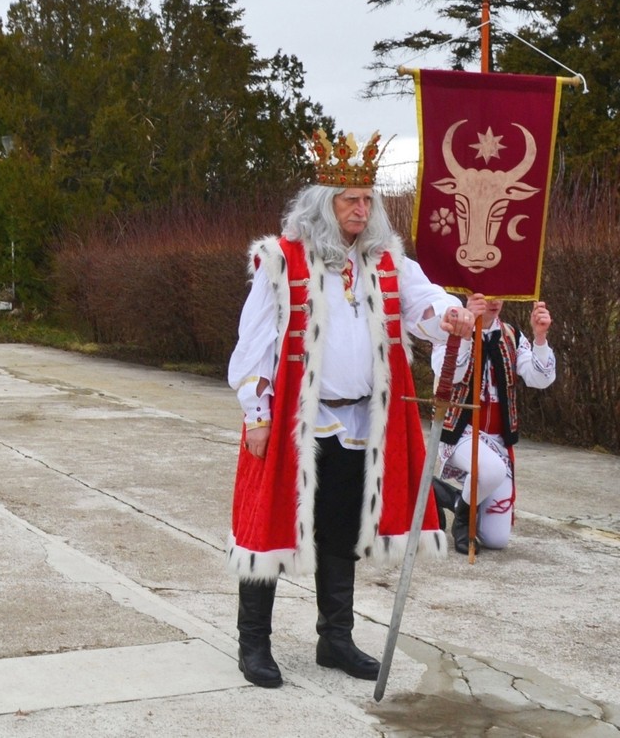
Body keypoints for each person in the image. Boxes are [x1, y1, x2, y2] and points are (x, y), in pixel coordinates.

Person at [226, 128, 477, 688]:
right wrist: (256, 413)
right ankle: (253, 644)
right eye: (350, 200)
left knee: (341, 532)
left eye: (367, 199)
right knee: (268, 527)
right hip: (294, 421)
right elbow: (254, 343)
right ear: (324, 203)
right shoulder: (281, 259)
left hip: (360, 422)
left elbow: (424, 303)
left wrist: (452, 314)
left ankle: (335, 640)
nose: (362, 209)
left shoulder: (385, 261)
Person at [433, 295, 556, 554]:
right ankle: (463, 521)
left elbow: (540, 379)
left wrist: (540, 337)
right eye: (486, 294)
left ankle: (450, 497)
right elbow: (449, 374)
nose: (493, 300)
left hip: (498, 440)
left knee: (495, 539)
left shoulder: (511, 335)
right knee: (491, 470)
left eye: (499, 294)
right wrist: (466, 334)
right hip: (460, 432)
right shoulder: (450, 326)